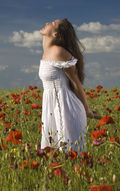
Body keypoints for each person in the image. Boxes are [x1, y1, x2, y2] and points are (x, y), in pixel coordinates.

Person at [39, 18, 101, 153]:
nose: (47, 23)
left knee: (70, 157)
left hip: (66, 110)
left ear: (56, 34)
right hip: (52, 110)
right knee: (54, 157)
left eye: (53, 24)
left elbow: (76, 83)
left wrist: (87, 110)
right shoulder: (47, 53)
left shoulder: (59, 52)